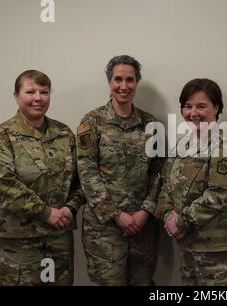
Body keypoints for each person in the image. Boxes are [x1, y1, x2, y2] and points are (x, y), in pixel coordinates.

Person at [0, 70, 84, 285]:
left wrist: (70, 208)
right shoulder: (0, 136)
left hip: (58, 238)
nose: (38, 97)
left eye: (44, 92)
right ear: (16, 96)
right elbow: (2, 185)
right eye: (30, 91)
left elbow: (81, 180)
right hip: (20, 242)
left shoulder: (64, 134)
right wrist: (46, 213)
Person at [76, 55, 162, 285]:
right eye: (118, 79)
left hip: (143, 227)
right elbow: (87, 172)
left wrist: (145, 210)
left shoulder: (151, 124)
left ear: (137, 82)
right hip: (104, 229)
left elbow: (159, 172)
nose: (124, 86)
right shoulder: (91, 122)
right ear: (109, 82)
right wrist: (116, 214)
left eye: (130, 80)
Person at [155, 78, 227, 285]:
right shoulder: (182, 144)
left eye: (201, 106)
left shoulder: (226, 146)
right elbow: (166, 185)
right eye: (187, 106)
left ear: (217, 107)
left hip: (216, 250)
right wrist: (168, 214)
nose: (193, 112)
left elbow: (219, 194)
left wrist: (179, 222)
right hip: (187, 247)